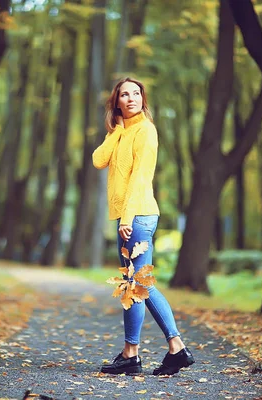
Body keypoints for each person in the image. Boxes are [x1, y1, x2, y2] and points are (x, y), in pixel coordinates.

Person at [92, 77, 195, 376]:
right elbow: (99, 160)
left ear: (142, 99)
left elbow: (140, 178)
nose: (131, 98)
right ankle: (135, 353)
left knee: (139, 285)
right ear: (117, 102)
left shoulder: (147, 131)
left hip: (137, 216)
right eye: (125, 94)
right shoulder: (124, 132)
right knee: (135, 286)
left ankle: (168, 348)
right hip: (132, 216)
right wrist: (117, 129)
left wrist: (126, 218)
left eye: (136, 93)